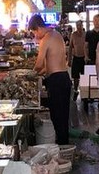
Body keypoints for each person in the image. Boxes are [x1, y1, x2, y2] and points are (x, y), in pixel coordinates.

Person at [29, 14, 72, 145]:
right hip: (64, 78)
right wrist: (38, 73)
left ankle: (61, 148)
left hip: (56, 81)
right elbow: (48, 67)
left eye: (34, 32)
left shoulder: (45, 39)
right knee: (63, 116)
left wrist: (29, 74)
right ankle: (63, 145)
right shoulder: (57, 35)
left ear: (38, 28)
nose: (35, 36)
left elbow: (39, 64)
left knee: (56, 116)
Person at [68, 20, 86, 100]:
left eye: (80, 25)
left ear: (82, 26)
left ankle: (84, 92)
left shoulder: (86, 35)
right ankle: (75, 90)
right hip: (76, 57)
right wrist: (69, 60)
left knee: (84, 76)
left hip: (84, 58)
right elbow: (70, 48)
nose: (79, 27)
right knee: (75, 76)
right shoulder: (73, 35)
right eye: (77, 25)